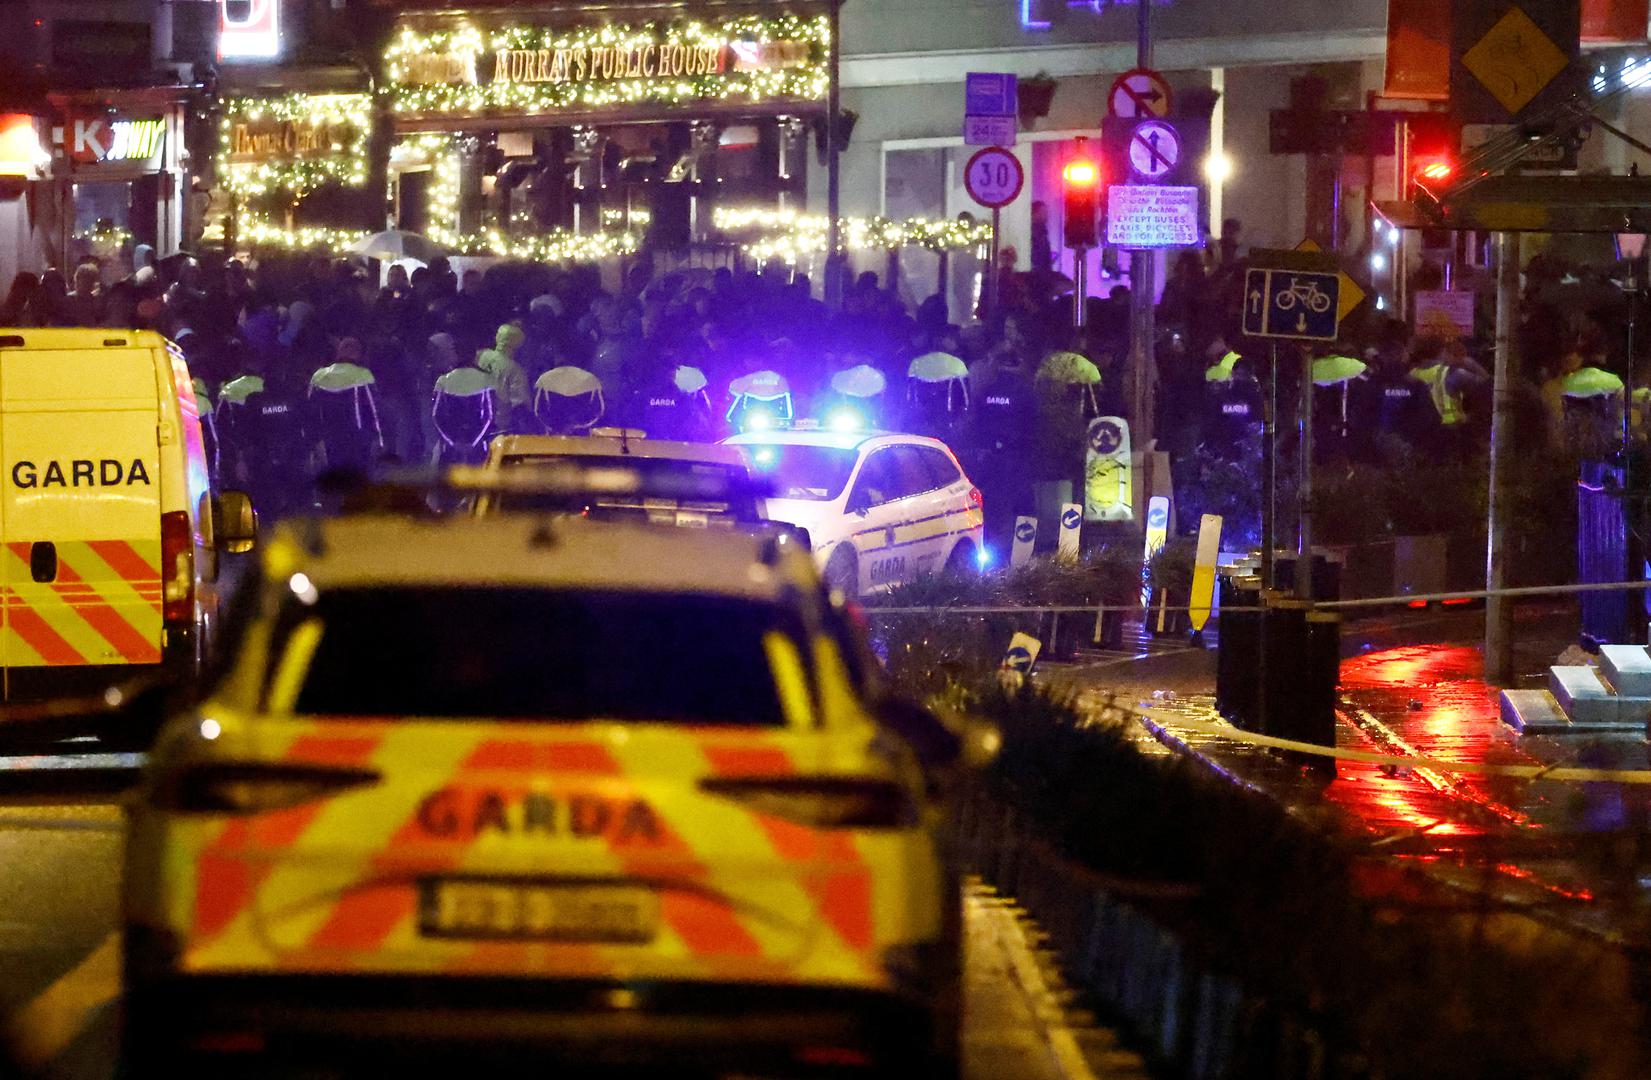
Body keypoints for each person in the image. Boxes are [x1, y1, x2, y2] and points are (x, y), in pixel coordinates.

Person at [476, 323, 530, 431]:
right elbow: (520, 405)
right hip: (500, 427)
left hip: (476, 421)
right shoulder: (516, 370)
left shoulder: (480, 355)